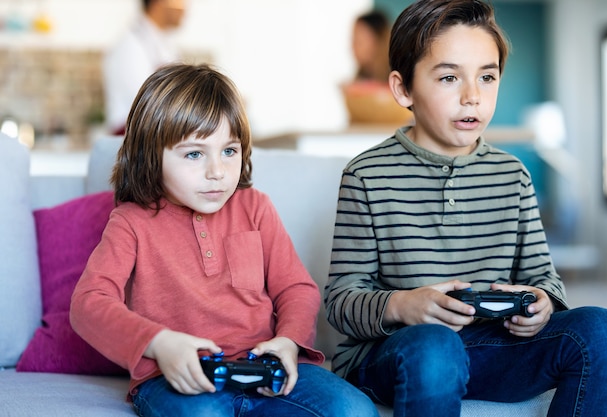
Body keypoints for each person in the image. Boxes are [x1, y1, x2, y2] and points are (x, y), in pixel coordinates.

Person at [324, 1, 607, 416]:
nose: (473, 96)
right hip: (400, 357)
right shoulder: (366, 174)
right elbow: (341, 301)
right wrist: (403, 305)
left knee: (606, 331)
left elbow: (544, 279)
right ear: (403, 89)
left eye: (487, 76)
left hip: (492, 350)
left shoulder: (512, 174)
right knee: (435, 346)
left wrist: (541, 302)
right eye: (449, 77)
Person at [70, 63, 379, 417]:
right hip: (177, 377)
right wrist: (160, 344)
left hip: (263, 369)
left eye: (229, 151)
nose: (217, 171)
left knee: (354, 409)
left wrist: (287, 342)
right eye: (194, 154)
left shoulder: (256, 207)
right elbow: (88, 304)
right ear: (150, 156)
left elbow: (297, 289)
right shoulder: (130, 222)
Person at [102, 0, 186, 135]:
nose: (184, 9)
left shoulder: (165, 43)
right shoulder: (130, 46)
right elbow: (145, 101)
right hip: (133, 138)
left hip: (159, 134)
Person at [351, 10, 391, 84]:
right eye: (353, 40)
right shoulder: (361, 77)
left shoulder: (397, 79)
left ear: (379, 40)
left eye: (359, 41)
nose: (353, 47)